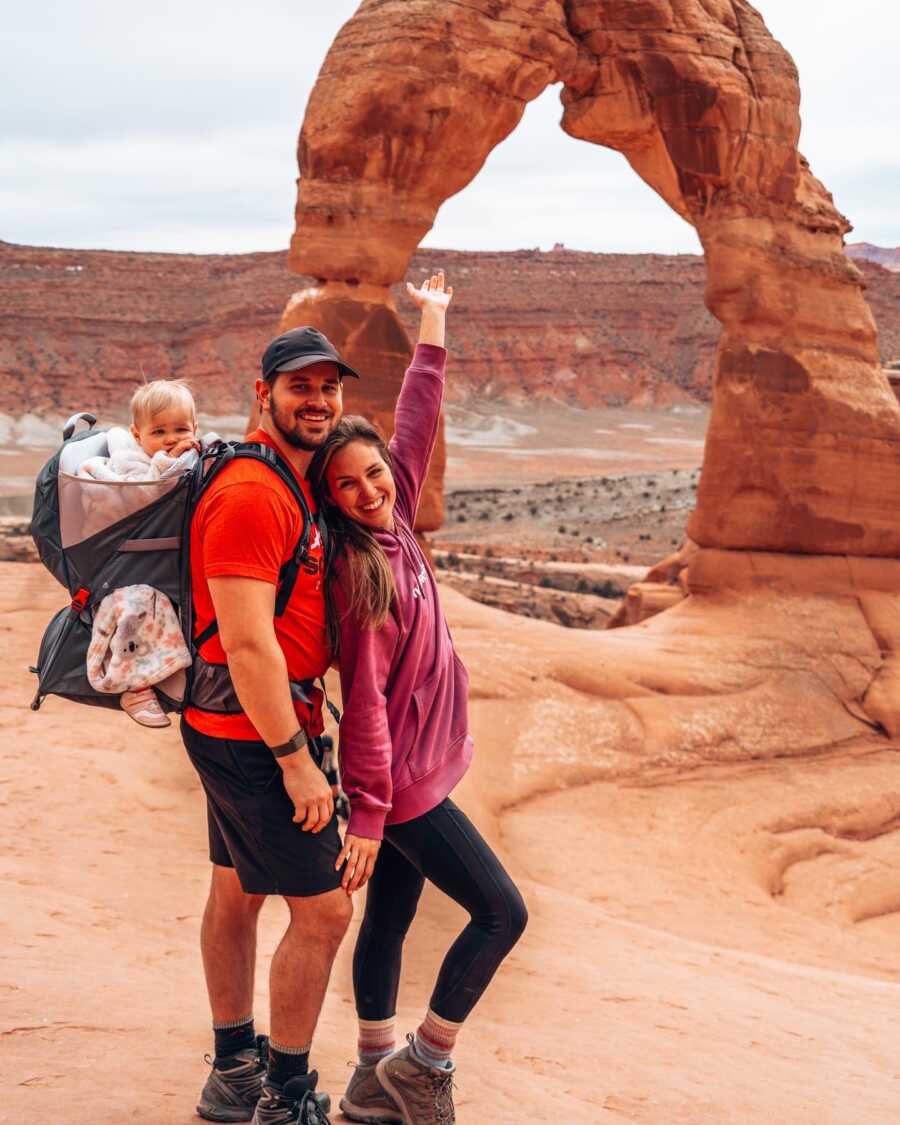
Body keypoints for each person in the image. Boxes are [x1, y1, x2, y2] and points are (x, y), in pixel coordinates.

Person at [309, 273, 528, 1125]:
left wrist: (433, 315)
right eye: (349, 489)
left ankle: (371, 1077)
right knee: (501, 912)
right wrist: (368, 813)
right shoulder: (362, 576)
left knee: (391, 922)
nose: (370, 491)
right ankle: (424, 1065)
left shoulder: (394, 516)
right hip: (400, 786)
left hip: (417, 772)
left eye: (373, 475)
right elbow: (361, 705)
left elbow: (419, 415)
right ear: (333, 505)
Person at [181, 326, 360, 1125]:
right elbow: (248, 639)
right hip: (253, 729)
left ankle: (232, 1073)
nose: (317, 400)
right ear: (264, 394)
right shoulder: (253, 492)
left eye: (329, 387)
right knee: (323, 911)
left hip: (232, 720)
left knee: (236, 889)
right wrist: (295, 756)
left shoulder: (289, 481)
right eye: (300, 386)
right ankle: (284, 1098)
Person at [79, 379, 203, 726]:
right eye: (158, 431)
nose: (170, 439)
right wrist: (165, 464)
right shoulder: (132, 463)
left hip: (167, 560)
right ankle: (135, 687)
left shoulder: (193, 456)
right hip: (129, 571)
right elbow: (141, 495)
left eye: (180, 429)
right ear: (137, 435)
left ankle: (172, 676)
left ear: (195, 429)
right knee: (137, 612)